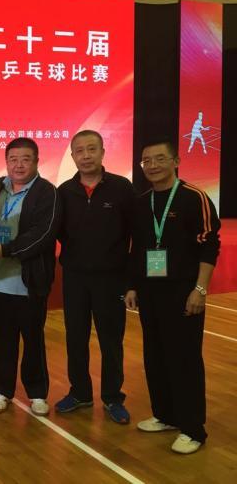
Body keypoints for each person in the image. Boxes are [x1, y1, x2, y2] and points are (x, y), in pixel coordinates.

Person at [125, 141, 220, 455]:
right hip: (151, 291)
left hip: (184, 292)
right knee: (155, 355)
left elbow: (209, 245)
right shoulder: (142, 202)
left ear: (176, 161)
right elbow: (138, 248)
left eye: (160, 159)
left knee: (184, 359)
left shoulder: (194, 197)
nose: (152, 165)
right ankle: (165, 415)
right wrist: (133, 286)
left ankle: (193, 429)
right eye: (146, 161)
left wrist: (200, 290)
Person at [55, 130, 135, 424]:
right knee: (75, 337)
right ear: (72, 156)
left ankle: (113, 397)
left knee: (111, 341)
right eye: (80, 151)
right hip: (75, 277)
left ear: (102, 152)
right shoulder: (64, 191)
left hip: (111, 279)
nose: (86, 156)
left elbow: (135, 235)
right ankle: (80, 393)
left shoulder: (122, 188)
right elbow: (58, 232)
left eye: (91, 149)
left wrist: (131, 282)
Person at [0, 138, 60, 416]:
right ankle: (2, 391)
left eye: (25, 159)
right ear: (6, 162)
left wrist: (6, 250)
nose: (19, 165)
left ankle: (37, 393)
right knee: (1, 341)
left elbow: (43, 234)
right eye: (13, 159)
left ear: (36, 161)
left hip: (30, 281)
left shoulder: (46, 192)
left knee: (33, 341)